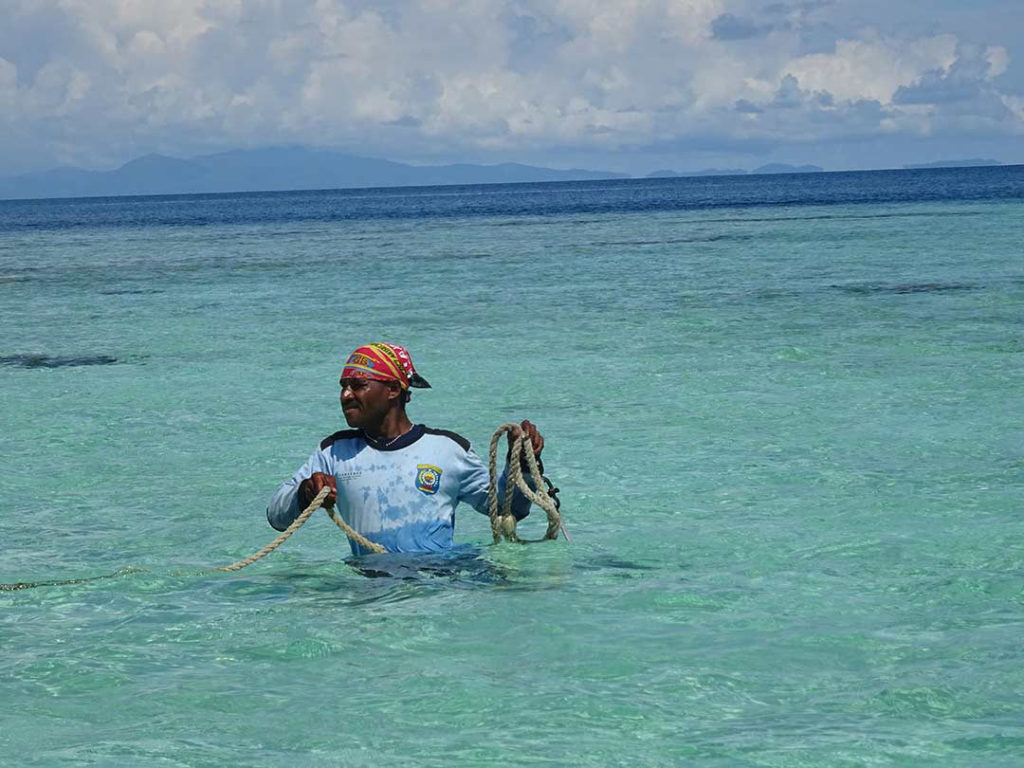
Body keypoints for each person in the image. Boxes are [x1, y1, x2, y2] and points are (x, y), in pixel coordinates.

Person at [267, 342, 545, 555]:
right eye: (343, 386)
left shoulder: (448, 450)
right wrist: (305, 493)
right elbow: (276, 517)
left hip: (441, 581)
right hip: (372, 588)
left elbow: (508, 512)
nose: (345, 395)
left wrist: (519, 467)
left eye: (358, 385)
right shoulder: (334, 453)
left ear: (393, 390)